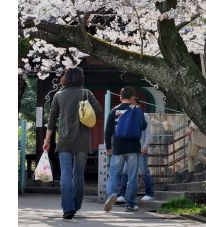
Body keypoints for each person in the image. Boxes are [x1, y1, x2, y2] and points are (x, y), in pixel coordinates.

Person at [42, 67, 102, 219]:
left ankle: (68, 208)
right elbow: (99, 111)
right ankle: (76, 204)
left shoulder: (59, 95)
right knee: (78, 174)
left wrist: (47, 140)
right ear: (80, 78)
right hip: (83, 140)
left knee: (66, 174)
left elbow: (52, 119)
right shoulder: (86, 93)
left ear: (66, 78)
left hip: (64, 140)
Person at [104, 86, 147, 212]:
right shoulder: (137, 110)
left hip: (118, 148)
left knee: (114, 175)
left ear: (120, 97)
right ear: (133, 97)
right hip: (133, 148)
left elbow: (108, 131)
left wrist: (108, 147)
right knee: (132, 177)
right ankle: (130, 204)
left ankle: (112, 193)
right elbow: (143, 126)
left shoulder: (114, 111)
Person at [116, 97, 154, 203]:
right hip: (131, 148)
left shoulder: (144, 115)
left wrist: (146, 145)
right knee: (125, 172)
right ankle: (122, 194)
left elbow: (148, 132)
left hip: (141, 147)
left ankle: (149, 193)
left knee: (144, 171)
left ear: (138, 105)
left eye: (133, 104)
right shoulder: (125, 114)